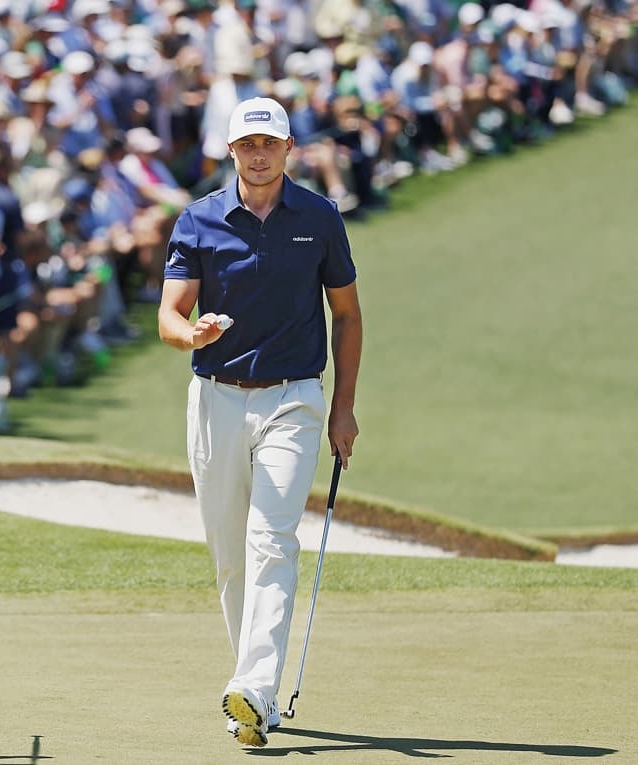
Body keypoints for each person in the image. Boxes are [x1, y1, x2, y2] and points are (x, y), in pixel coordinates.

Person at [157, 97, 362, 749]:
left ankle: (254, 686)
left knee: (272, 537)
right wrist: (191, 333)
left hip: (293, 399)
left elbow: (348, 315)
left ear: (288, 148)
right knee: (228, 551)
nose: (258, 153)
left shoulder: (320, 218)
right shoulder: (199, 221)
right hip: (215, 398)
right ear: (231, 151)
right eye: (247, 144)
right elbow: (169, 314)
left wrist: (343, 406)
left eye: (268, 143)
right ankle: (252, 693)